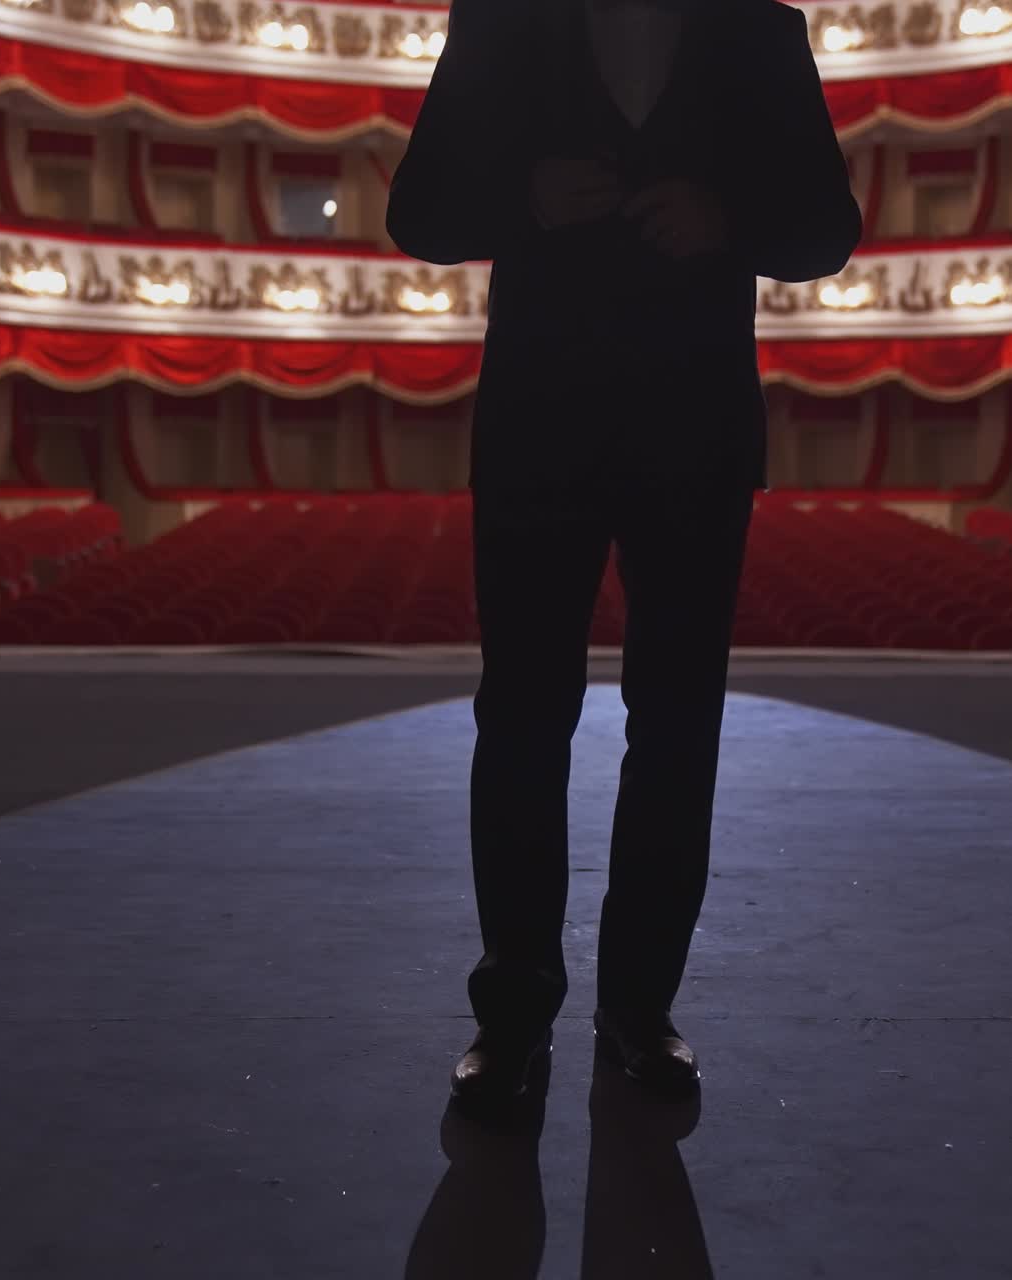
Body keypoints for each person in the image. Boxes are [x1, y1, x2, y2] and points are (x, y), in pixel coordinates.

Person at [386, 0, 862, 1113]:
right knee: (518, 724)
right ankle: (510, 1020)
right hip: (539, 431)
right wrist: (525, 200)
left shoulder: (761, 32)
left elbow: (826, 231)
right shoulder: (499, 24)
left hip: (691, 436)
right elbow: (417, 212)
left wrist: (725, 217)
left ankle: (638, 1012)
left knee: (678, 729)